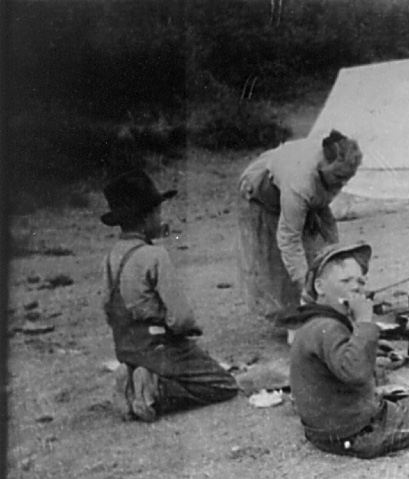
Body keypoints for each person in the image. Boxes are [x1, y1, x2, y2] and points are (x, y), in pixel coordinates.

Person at [281, 242, 409, 459]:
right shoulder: (327, 327)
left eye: (360, 282)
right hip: (359, 433)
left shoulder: (313, 322)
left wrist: (372, 349)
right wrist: (365, 322)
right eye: (345, 281)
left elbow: (339, 363)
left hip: (326, 432)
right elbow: (355, 372)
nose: (355, 287)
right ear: (320, 287)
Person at [101, 171, 238, 422]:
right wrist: (188, 331)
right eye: (158, 213)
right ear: (146, 218)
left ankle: (132, 376)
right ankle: (156, 389)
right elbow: (182, 318)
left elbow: (107, 307)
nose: (160, 218)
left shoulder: (111, 256)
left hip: (126, 346)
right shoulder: (155, 256)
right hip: (160, 347)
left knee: (173, 361)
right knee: (224, 385)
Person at [237, 130, 362, 325]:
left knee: (318, 248)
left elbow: (325, 216)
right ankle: (296, 318)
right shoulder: (300, 181)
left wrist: (336, 256)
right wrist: (305, 283)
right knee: (279, 267)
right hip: (262, 192)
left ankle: (319, 305)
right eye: (339, 176)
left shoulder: (330, 170)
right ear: (324, 165)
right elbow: (288, 238)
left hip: (297, 188)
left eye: (348, 178)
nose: (343, 183)